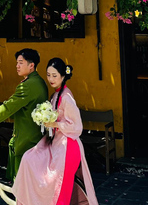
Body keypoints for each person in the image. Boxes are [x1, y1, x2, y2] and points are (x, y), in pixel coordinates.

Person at [12, 58, 98, 204]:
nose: (51, 79)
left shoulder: (66, 97)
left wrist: (55, 123)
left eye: (54, 75)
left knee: (57, 189)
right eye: (48, 75)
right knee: (29, 159)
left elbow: (77, 127)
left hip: (67, 147)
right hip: (57, 144)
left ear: (63, 76)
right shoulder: (56, 95)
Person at [0, 48, 48, 181]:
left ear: (31, 65)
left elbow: (8, 108)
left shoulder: (28, 85)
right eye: (17, 63)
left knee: (22, 183)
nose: (17, 66)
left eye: (20, 62)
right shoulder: (39, 82)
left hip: (26, 140)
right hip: (34, 137)